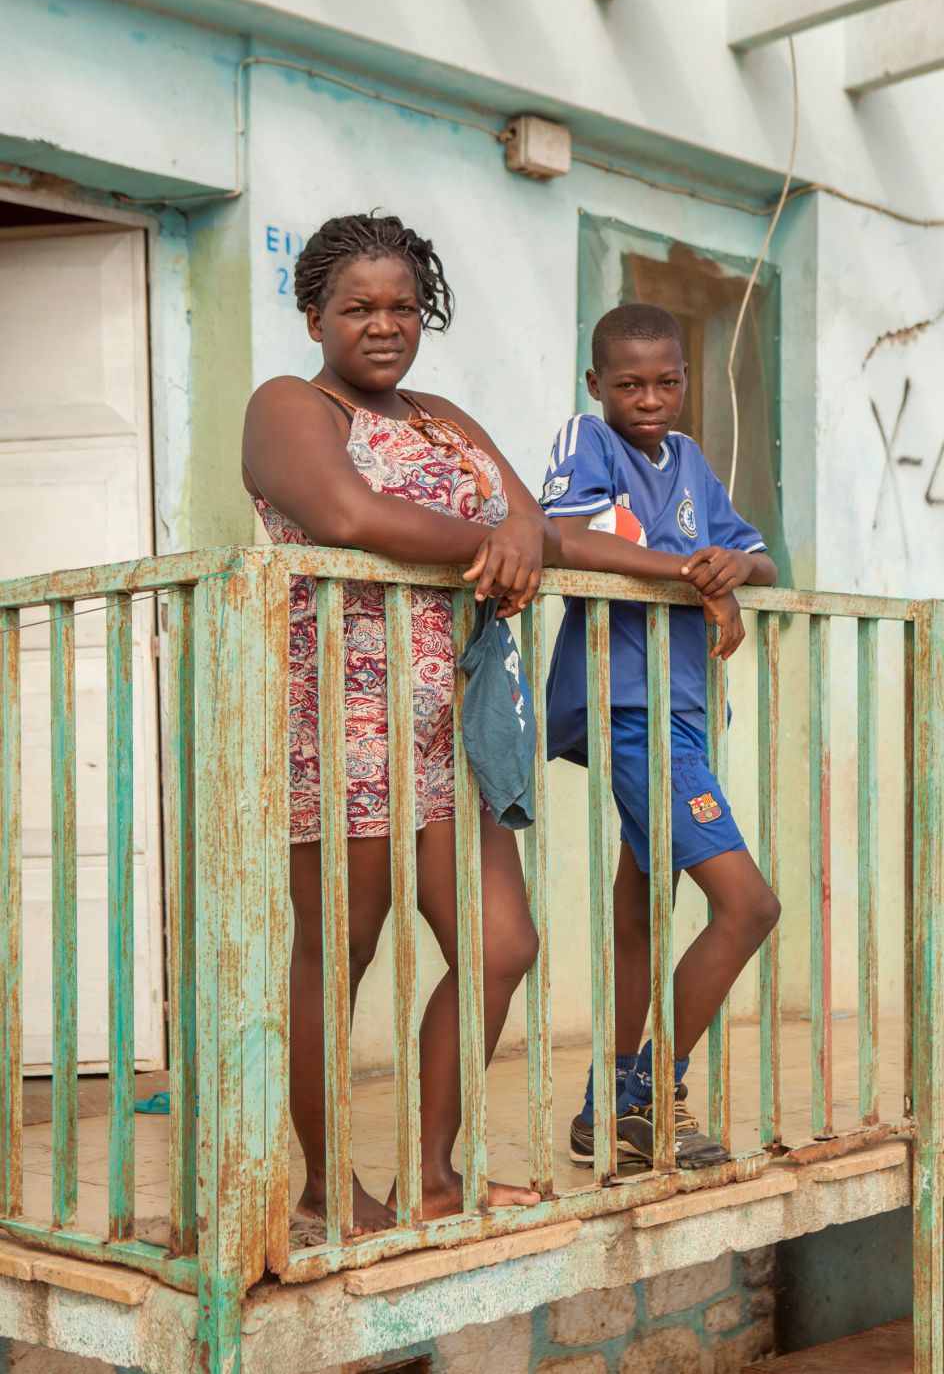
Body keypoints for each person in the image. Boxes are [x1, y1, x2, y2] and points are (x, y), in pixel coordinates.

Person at [242, 212, 559, 1234]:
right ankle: (324, 1187)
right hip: (343, 716)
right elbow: (347, 516)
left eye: (403, 307)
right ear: (313, 316)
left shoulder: (441, 415)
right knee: (341, 948)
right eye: (357, 308)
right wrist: (496, 539)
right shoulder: (290, 405)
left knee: (501, 943)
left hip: (451, 722)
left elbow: (532, 524)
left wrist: (700, 566)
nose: (384, 325)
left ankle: (430, 1175)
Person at [541, 302, 781, 1169]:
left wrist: (733, 567)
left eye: (668, 382)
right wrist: (692, 572)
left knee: (643, 909)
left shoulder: (689, 461)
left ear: (685, 379)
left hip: (689, 712)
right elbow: (565, 540)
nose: (650, 399)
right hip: (635, 713)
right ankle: (648, 1092)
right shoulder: (588, 442)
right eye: (630, 384)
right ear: (595, 383)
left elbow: (760, 557)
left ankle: (605, 1107)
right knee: (749, 906)